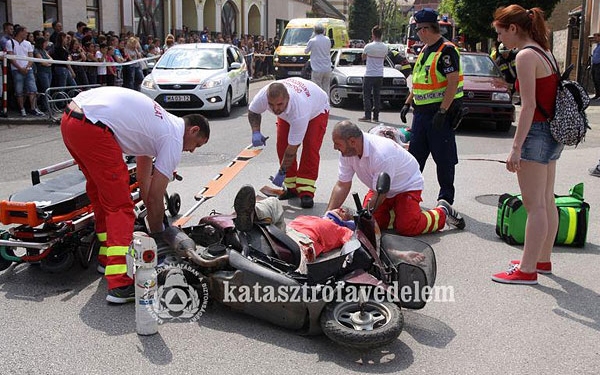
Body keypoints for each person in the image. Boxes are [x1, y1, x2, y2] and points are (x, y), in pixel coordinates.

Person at [60, 86, 210, 303]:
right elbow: (156, 196)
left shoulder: (159, 124)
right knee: (121, 207)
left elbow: (143, 181)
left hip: (71, 120)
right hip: (93, 127)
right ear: (193, 130)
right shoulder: (173, 139)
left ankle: (106, 258)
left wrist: (151, 211)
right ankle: (120, 284)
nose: (193, 151)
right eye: (197, 144)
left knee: (102, 194)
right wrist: (159, 235)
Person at [490, 5, 563, 285]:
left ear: (513, 28)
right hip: (552, 131)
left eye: (500, 33)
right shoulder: (545, 51)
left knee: (535, 206)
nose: (499, 40)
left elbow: (528, 105)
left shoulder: (525, 55)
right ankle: (541, 260)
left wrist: (516, 147)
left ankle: (527, 269)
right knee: (546, 199)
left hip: (537, 132)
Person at [232, 185, 426, 273]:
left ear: (345, 222)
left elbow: (368, 245)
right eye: (341, 209)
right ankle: (249, 215)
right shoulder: (314, 217)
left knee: (295, 277)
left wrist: (401, 254)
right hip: (282, 231)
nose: (341, 210)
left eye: (345, 213)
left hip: (300, 244)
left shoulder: (341, 230)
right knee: (274, 202)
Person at [325, 120, 465, 237]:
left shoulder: (380, 153)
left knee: (407, 227)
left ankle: (442, 213)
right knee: (369, 225)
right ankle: (397, 213)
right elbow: (342, 185)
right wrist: (328, 216)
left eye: (338, 144)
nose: (334, 147)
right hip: (380, 188)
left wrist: (361, 216)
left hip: (406, 186)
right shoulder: (347, 153)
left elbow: (381, 194)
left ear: (352, 141)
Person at [399, 8, 463, 206]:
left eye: (418, 29)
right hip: (421, 114)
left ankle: (446, 199)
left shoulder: (446, 51)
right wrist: (407, 102)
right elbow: (419, 82)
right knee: (415, 158)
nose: (417, 33)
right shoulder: (425, 50)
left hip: (439, 113)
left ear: (426, 29)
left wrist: (443, 111)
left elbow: (452, 83)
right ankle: (409, 196)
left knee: (444, 159)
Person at [248, 78, 329, 209]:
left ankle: (306, 191)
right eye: (271, 105)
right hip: (293, 110)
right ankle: (291, 187)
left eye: (279, 104)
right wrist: (255, 132)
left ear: (288, 98)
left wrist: (281, 171)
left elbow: (292, 149)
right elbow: (253, 111)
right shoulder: (264, 95)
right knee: (281, 145)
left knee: (310, 148)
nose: (275, 109)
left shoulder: (299, 111)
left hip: (316, 111)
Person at [5, 24, 45, 117]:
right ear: (20, 32)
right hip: (16, 70)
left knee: (33, 89)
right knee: (19, 91)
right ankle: (22, 109)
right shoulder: (10, 42)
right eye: (25, 32)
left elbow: (31, 56)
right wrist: (19, 68)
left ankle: (33, 108)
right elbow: (11, 58)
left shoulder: (28, 43)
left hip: (28, 69)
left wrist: (27, 67)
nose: (27, 34)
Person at [359, 25, 388, 123]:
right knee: (377, 95)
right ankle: (376, 116)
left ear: (373, 35)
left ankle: (367, 115)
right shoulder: (385, 47)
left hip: (369, 74)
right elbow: (384, 58)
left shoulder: (368, 46)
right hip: (380, 74)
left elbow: (363, 57)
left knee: (366, 95)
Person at [304, 23, 332, 93]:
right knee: (326, 88)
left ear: (315, 31)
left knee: (317, 88)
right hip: (327, 67)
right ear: (323, 31)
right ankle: (326, 102)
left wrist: (311, 38)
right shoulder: (328, 39)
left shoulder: (312, 41)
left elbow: (306, 51)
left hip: (317, 68)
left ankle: (318, 103)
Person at [591, 32, 600, 100]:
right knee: (595, 80)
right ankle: (597, 94)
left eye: (596, 37)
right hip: (594, 65)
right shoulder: (597, 46)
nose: (594, 39)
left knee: (598, 80)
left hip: (599, 65)